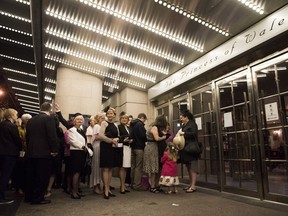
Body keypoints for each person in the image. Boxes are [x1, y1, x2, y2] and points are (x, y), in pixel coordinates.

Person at [25, 102, 59, 204]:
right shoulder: (48, 119)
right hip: (44, 153)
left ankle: (29, 197)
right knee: (42, 177)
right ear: (50, 110)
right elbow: (51, 136)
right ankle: (38, 198)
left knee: (31, 176)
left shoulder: (31, 120)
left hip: (31, 152)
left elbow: (28, 136)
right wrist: (54, 150)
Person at [99, 107, 121, 199]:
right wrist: (111, 140)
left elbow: (118, 136)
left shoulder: (116, 125)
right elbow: (100, 135)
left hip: (113, 148)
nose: (109, 115)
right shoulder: (104, 123)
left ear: (114, 115)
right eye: (108, 113)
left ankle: (108, 189)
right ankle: (105, 190)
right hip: (106, 147)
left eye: (111, 113)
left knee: (111, 169)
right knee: (106, 169)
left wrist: (117, 139)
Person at [0, 108, 22, 204]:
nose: (17, 116)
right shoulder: (12, 126)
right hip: (10, 153)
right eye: (16, 114)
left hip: (1, 153)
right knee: (6, 175)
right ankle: (1, 197)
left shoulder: (1, 125)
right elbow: (17, 140)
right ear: (11, 115)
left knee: (1, 174)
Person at [143, 115, 168, 193]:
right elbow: (157, 138)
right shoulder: (155, 128)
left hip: (153, 148)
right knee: (154, 168)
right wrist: (164, 137)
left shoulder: (155, 127)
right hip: (152, 148)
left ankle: (156, 185)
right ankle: (153, 186)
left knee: (156, 168)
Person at [178, 109, 200, 193]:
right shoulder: (185, 124)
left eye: (182, 117)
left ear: (186, 117)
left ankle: (193, 186)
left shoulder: (192, 124)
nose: (181, 119)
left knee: (192, 168)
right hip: (186, 148)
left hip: (191, 148)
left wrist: (184, 133)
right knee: (188, 167)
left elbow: (194, 133)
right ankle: (191, 184)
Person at [67, 114, 88, 199]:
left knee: (79, 172)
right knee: (76, 172)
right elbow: (73, 141)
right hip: (76, 152)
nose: (80, 121)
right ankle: (74, 192)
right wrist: (82, 146)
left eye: (81, 119)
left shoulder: (82, 130)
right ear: (74, 121)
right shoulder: (71, 130)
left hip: (82, 152)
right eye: (78, 119)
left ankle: (77, 191)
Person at [12, 113, 32, 196]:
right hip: (21, 152)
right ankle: (19, 188)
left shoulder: (30, 128)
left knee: (26, 170)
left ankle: (24, 188)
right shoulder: (19, 129)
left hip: (28, 152)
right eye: (29, 119)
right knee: (20, 171)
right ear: (25, 120)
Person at [130, 113, 147, 191]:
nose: (144, 122)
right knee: (138, 167)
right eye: (144, 119)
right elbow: (143, 136)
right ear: (142, 118)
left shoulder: (132, 124)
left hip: (133, 147)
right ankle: (137, 185)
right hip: (139, 147)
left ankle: (132, 183)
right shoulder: (139, 124)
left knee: (133, 166)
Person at [89, 113, 106, 194]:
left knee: (100, 167)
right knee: (96, 167)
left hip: (102, 146)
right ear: (98, 118)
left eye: (104, 118)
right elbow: (97, 137)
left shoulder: (102, 126)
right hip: (97, 146)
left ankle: (99, 185)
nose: (103, 119)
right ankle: (96, 186)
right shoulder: (97, 126)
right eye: (102, 118)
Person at [118, 112, 133, 194]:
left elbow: (132, 136)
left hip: (128, 147)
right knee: (122, 167)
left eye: (126, 118)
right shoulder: (118, 127)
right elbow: (118, 137)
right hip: (122, 148)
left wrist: (131, 140)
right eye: (123, 118)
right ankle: (122, 186)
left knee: (126, 167)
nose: (124, 119)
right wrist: (123, 140)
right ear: (120, 119)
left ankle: (123, 185)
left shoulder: (129, 128)